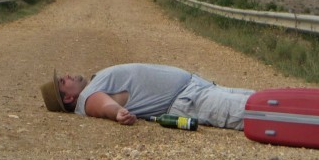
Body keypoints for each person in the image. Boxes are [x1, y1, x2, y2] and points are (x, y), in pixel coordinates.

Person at [39, 63, 255, 130]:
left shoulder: (95, 83)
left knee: (261, 99)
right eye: (62, 82)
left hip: (199, 87)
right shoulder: (87, 97)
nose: (67, 75)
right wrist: (118, 113)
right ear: (68, 98)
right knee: (256, 111)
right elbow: (102, 106)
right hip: (189, 100)